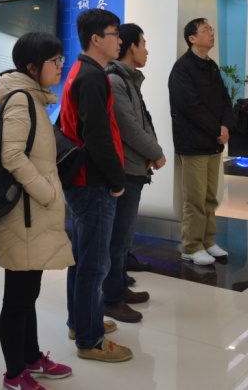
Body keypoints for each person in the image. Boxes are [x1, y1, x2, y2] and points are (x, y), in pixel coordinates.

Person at [0, 32, 75, 390]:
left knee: (28, 294)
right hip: (23, 216)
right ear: (31, 67)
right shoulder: (20, 100)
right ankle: (14, 374)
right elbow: (11, 156)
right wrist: (47, 193)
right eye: (54, 61)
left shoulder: (33, 98)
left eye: (61, 59)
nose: (60, 66)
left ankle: (31, 357)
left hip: (33, 215)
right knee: (17, 299)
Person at [61, 8, 133, 363]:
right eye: (114, 33)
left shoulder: (81, 70)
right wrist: (117, 178)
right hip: (92, 183)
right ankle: (90, 341)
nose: (120, 40)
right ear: (96, 38)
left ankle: (81, 323)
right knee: (95, 264)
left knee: (82, 258)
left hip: (82, 180)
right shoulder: (92, 77)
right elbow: (97, 135)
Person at [103, 23, 165, 324]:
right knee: (118, 238)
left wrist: (150, 151)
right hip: (125, 169)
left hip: (134, 167)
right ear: (131, 47)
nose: (147, 50)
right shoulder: (116, 81)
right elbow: (129, 128)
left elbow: (142, 122)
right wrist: (155, 152)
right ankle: (111, 299)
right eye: (143, 43)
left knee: (123, 237)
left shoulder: (128, 80)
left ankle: (118, 287)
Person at [168, 18, 233, 266]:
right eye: (205, 30)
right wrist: (217, 129)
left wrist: (226, 125)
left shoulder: (211, 66)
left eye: (211, 30)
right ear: (192, 38)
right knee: (195, 198)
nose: (211, 33)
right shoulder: (182, 69)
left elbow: (224, 98)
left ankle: (207, 239)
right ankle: (191, 246)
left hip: (213, 141)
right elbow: (190, 107)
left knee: (209, 196)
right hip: (193, 143)